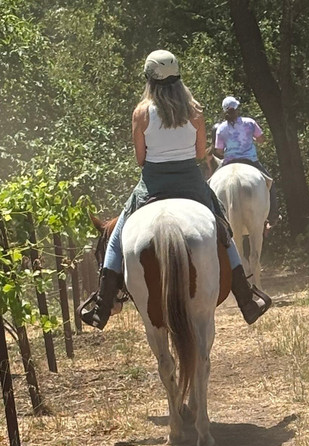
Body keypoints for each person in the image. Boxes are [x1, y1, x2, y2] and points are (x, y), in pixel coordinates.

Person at [81, 51, 271, 330]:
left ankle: (103, 303)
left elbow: (140, 159)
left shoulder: (141, 113)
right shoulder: (195, 111)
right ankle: (245, 298)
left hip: (153, 182)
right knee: (224, 231)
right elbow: (199, 153)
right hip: (190, 182)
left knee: (117, 235)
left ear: (149, 80)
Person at [213, 95, 279, 229]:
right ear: (237, 108)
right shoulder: (249, 123)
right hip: (250, 160)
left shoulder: (221, 128)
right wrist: (252, 139)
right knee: (270, 183)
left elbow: (219, 150)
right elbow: (261, 139)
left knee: (210, 184)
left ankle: (213, 219)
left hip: (229, 162)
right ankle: (273, 217)